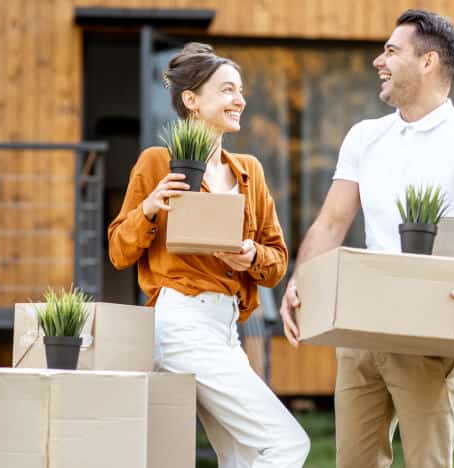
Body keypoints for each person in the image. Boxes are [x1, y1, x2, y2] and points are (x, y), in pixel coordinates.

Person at [278, 10, 454, 468]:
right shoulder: (365, 137)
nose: (377, 61)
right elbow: (331, 223)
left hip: (430, 334)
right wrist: (302, 283)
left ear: (427, 62)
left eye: (390, 51)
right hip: (362, 328)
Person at [108, 42, 310, 468]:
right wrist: (148, 209)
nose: (240, 100)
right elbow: (118, 251)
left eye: (240, 91)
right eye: (228, 90)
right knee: (288, 444)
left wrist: (251, 255)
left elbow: (276, 261)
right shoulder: (158, 162)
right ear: (191, 101)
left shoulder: (248, 171)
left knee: (243, 456)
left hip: (226, 329)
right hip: (180, 322)